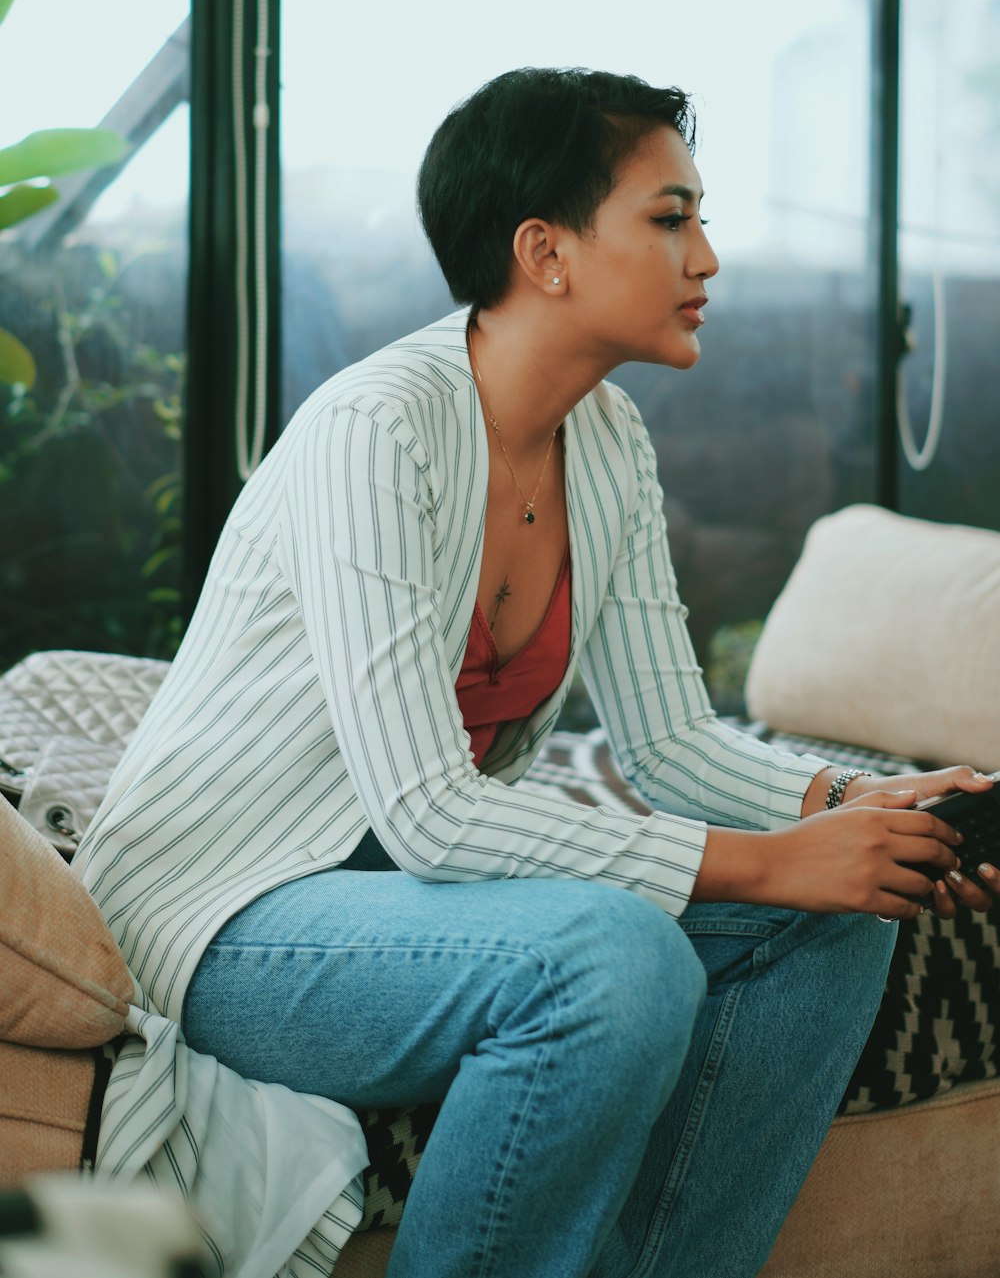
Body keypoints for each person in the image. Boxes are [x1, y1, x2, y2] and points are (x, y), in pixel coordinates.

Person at [76, 68, 998, 1278]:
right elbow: (427, 812)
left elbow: (671, 741)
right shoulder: (378, 429)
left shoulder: (609, 444)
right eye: (669, 218)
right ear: (544, 252)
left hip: (406, 897)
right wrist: (768, 855)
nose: (708, 255)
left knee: (835, 927)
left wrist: (849, 811)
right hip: (227, 909)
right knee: (608, 958)